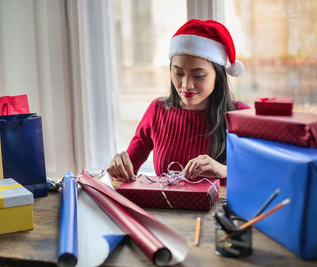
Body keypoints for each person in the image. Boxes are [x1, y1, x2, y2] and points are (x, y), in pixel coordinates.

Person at [107, 19, 250, 184]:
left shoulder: (240, 115)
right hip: (167, 210)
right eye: (178, 73)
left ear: (218, 76)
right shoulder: (157, 111)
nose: (186, 85)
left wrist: (223, 170)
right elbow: (125, 174)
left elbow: (262, 174)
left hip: (224, 209)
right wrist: (119, 167)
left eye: (199, 75)